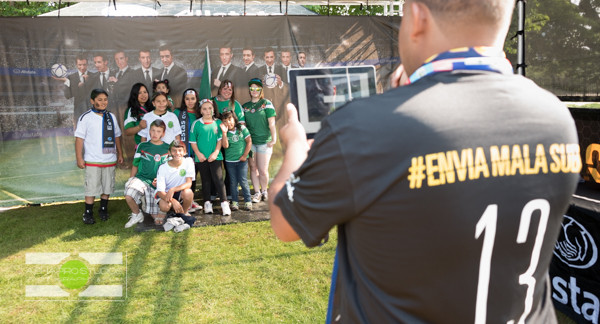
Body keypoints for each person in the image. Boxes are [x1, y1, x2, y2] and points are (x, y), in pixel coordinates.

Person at [268, 0, 582, 323]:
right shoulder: (556, 118)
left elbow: (284, 221)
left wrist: (294, 146)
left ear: (416, 17)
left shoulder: (363, 128)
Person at [75, 88, 123, 225]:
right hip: (92, 160)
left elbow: (117, 136)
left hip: (109, 159)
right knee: (92, 187)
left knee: (107, 187)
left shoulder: (111, 117)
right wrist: (79, 158)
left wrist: (120, 153)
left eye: (105, 100)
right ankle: (88, 212)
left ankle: (103, 209)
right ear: (92, 101)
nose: (103, 102)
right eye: (100, 100)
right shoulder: (85, 117)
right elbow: (79, 139)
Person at [189, 99, 231, 219]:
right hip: (201, 158)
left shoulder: (218, 123)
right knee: (205, 180)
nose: (208, 111)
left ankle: (224, 203)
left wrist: (216, 152)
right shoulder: (196, 124)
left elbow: (219, 141)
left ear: (214, 109)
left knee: (218, 179)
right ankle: (207, 202)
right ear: (200, 111)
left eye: (210, 108)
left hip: (215, 157)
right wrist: (198, 154)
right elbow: (193, 141)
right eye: (205, 109)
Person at [124, 119, 170, 228]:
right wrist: (131, 179)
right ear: (149, 131)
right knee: (129, 194)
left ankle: (149, 204)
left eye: (158, 131)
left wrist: (161, 181)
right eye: (153, 130)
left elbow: (170, 169)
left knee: (158, 219)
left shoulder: (168, 147)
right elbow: (135, 164)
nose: (155, 134)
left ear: (163, 133)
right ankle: (137, 214)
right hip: (142, 179)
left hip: (157, 183)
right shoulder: (142, 146)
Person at [242, 79, 277, 203]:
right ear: (249, 90)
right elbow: (242, 125)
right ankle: (256, 192)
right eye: (252, 89)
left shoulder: (266, 103)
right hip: (251, 143)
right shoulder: (245, 106)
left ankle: (264, 191)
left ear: (261, 90)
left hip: (264, 142)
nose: (254, 91)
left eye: (257, 88)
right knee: (253, 168)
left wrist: (274, 138)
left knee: (262, 170)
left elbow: (272, 123)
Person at [173, 88, 202, 213]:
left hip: (197, 150)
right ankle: (180, 201)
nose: (190, 102)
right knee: (180, 177)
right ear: (184, 100)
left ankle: (190, 200)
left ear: (196, 100)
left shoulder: (199, 113)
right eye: (187, 99)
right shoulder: (178, 113)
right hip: (182, 151)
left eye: (193, 99)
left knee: (192, 176)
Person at [155, 140, 196, 226]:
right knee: (165, 206)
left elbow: (189, 183)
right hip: (165, 193)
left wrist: (173, 189)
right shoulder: (163, 167)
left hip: (178, 192)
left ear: (184, 152)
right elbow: (160, 191)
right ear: (169, 153)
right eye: (174, 150)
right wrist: (173, 201)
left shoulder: (188, 161)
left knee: (188, 192)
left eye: (180, 150)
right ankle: (166, 211)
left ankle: (183, 213)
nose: (177, 153)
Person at [220, 111, 253, 211]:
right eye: (225, 121)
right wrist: (224, 133)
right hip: (230, 162)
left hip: (242, 161)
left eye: (230, 119)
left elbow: (249, 142)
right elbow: (225, 146)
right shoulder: (224, 133)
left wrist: (244, 155)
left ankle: (248, 201)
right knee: (233, 182)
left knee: (243, 181)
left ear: (234, 119)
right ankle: (235, 202)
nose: (228, 123)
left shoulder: (242, 128)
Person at [58, 55, 91, 126]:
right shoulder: (71, 77)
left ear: (87, 65)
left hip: (92, 111)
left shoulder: (94, 76)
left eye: (84, 65)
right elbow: (68, 96)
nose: (82, 67)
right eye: (80, 65)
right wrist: (67, 82)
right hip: (78, 112)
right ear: (76, 65)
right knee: (79, 134)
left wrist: (88, 82)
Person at [123, 83, 152, 149]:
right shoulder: (131, 110)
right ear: (135, 95)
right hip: (142, 148)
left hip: (157, 146)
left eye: (145, 92)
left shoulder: (154, 107)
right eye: (140, 93)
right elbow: (127, 132)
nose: (143, 95)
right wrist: (139, 127)